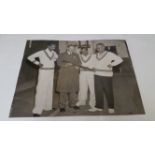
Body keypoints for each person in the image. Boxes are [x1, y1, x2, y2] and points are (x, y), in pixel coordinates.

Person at [27, 43, 58, 116]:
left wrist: (53, 60)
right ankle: (37, 110)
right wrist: (38, 63)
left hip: (51, 72)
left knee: (49, 89)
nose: (53, 47)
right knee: (41, 90)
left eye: (54, 46)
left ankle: (48, 107)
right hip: (43, 72)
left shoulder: (54, 53)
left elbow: (56, 58)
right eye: (52, 46)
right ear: (48, 46)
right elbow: (30, 57)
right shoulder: (41, 52)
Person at [94, 43, 123, 114]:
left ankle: (111, 107)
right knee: (98, 91)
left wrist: (112, 64)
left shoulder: (109, 54)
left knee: (108, 92)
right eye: (97, 48)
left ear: (104, 47)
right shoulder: (96, 55)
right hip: (97, 75)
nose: (99, 49)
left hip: (107, 75)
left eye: (100, 47)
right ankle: (99, 107)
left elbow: (120, 59)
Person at [76, 46, 102, 112]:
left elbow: (97, 63)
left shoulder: (93, 56)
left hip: (91, 73)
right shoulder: (79, 56)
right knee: (82, 87)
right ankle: (82, 101)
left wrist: (93, 68)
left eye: (85, 50)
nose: (83, 52)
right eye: (82, 51)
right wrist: (78, 68)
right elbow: (77, 65)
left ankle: (92, 103)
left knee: (92, 88)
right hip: (82, 73)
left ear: (87, 50)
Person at [56, 45, 81, 112]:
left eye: (73, 48)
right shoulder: (61, 55)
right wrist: (65, 65)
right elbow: (58, 62)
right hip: (64, 75)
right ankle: (62, 106)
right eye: (70, 48)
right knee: (63, 91)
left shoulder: (76, 55)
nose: (72, 50)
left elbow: (79, 63)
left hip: (73, 75)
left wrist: (78, 67)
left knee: (73, 91)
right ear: (67, 48)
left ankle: (73, 104)